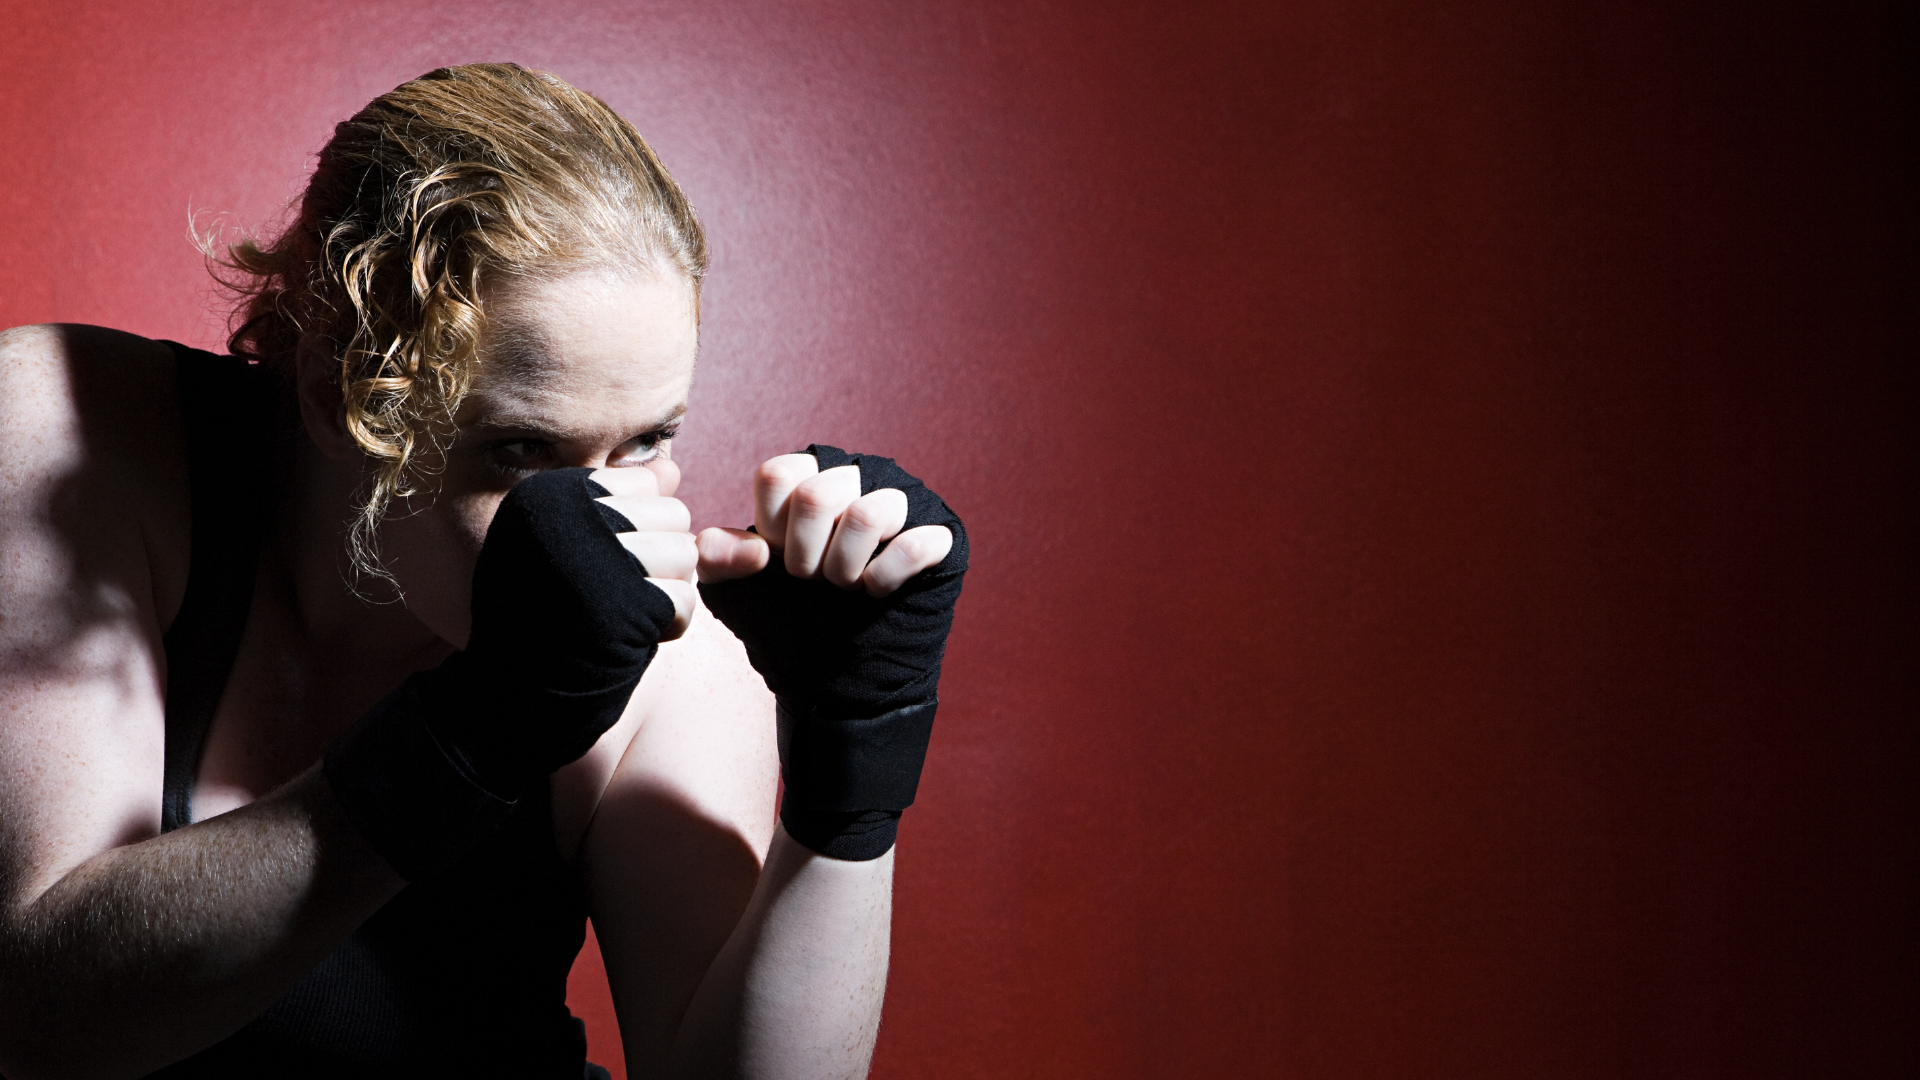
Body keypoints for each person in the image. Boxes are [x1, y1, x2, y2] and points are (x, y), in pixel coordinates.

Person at [0, 62, 965, 1080]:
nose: (600, 523)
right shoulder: (78, 439)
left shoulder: (672, 663)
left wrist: (848, 791)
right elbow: (33, 1019)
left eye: (646, 441)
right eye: (517, 451)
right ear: (341, 391)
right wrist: (471, 734)